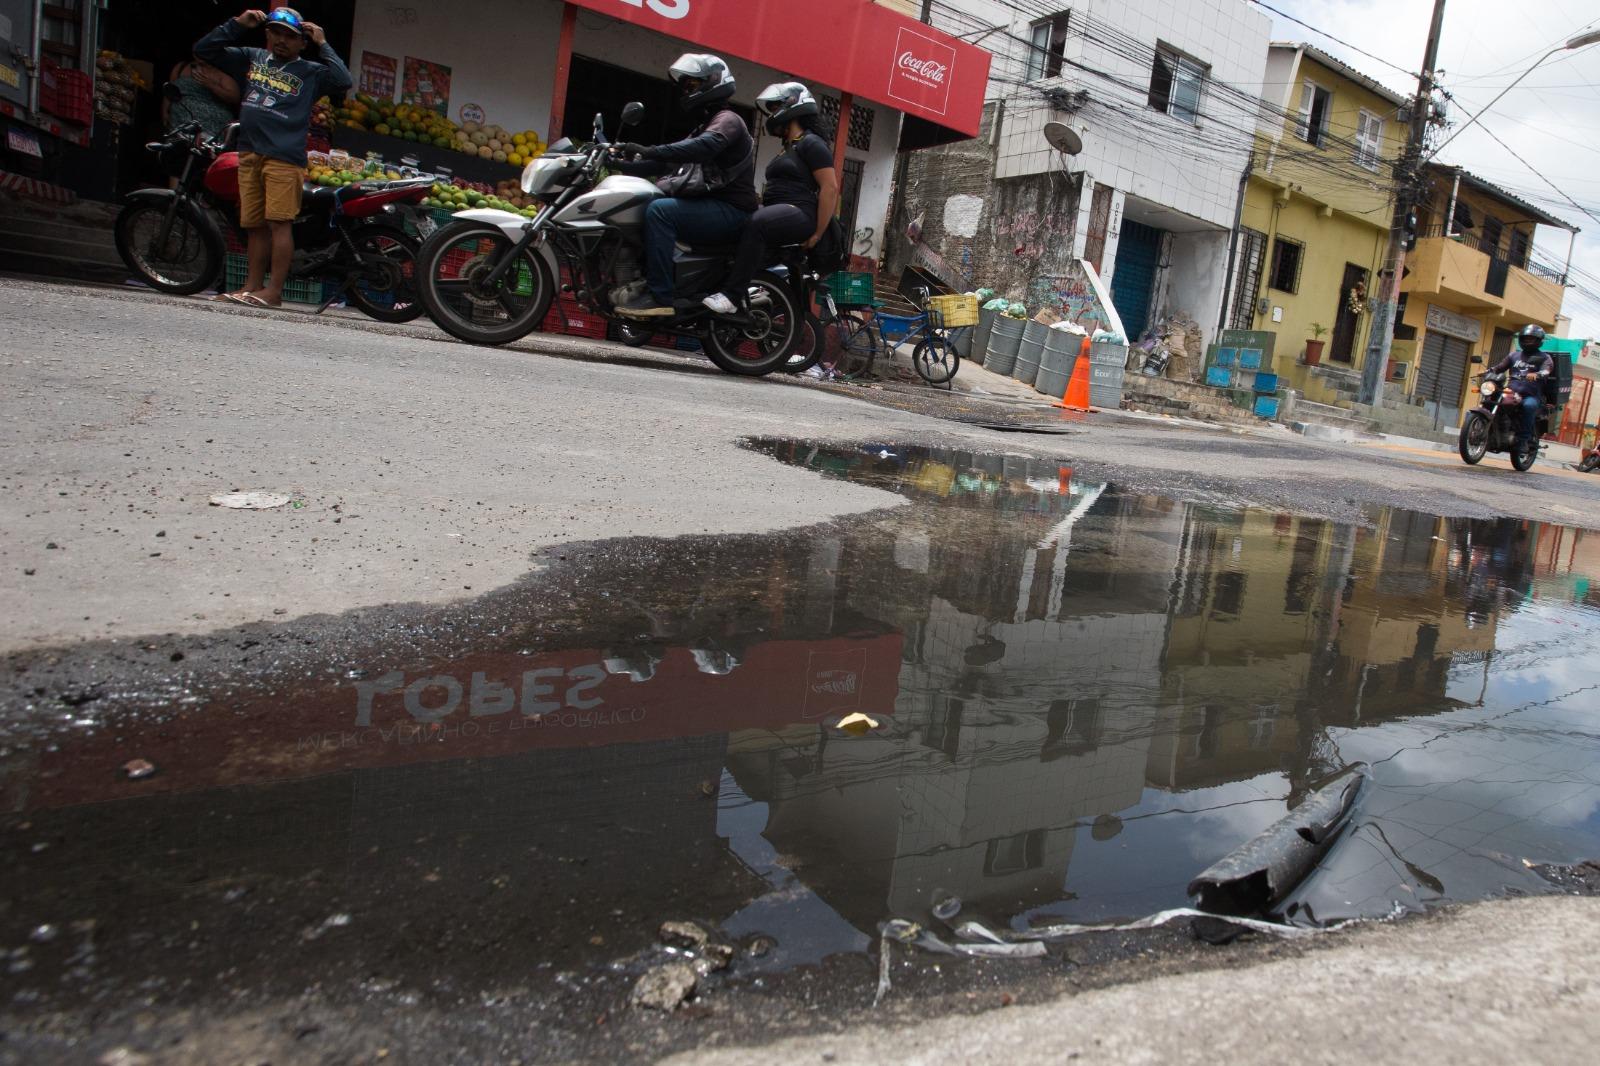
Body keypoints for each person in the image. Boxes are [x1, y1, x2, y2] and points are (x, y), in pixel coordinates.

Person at [195, 8, 352, 308]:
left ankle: (274, 291)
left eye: (290, 37)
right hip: (249, 151)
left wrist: (323, 42)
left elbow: (343, 80)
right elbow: (204, 50)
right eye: (276, 33)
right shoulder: (252, 57)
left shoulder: (311, 72)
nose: (282, 41)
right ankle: (252, 286)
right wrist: (238, 24)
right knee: (254, 224)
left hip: (284, 157)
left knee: (279, 223)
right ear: (267, 34)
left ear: (301, 43)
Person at [608, 54, 757, 319]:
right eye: (686, 86)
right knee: (645, 203)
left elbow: (702, 148)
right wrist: (622, 163)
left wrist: (649, 149)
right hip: (711, 206)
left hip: (731, 210)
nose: (687, 91)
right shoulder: (705, 126)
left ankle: (660, 296)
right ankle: (642, 281)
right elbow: (665, 164)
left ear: (712, 84)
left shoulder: (728, 120)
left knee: (660, 211)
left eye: (692, 85)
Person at [701, 82, 839, 316]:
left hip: (800, 212)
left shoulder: (811, 143)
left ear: (793, 108)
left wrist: (817, 233)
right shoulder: (788, 148)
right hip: (780, 210)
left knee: (759, 222)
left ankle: (732, 296)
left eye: (776, 108)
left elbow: (830, 188)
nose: (772, 114)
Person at [1487, 324, 1556, 448]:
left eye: (1531, 339)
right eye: (1525, 338)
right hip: (1511, 391)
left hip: (1531, 395)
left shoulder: (1545, 358)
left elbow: (1547, 370)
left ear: (1539, 341)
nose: (1528, 341)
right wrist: (1488, 371)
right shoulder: (1514, 355)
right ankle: (1496, 430)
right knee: (1494, 399)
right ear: (1521, 339)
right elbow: (1500, 367)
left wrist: (1537, 374)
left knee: (1528, 406)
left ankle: (1523, 440)